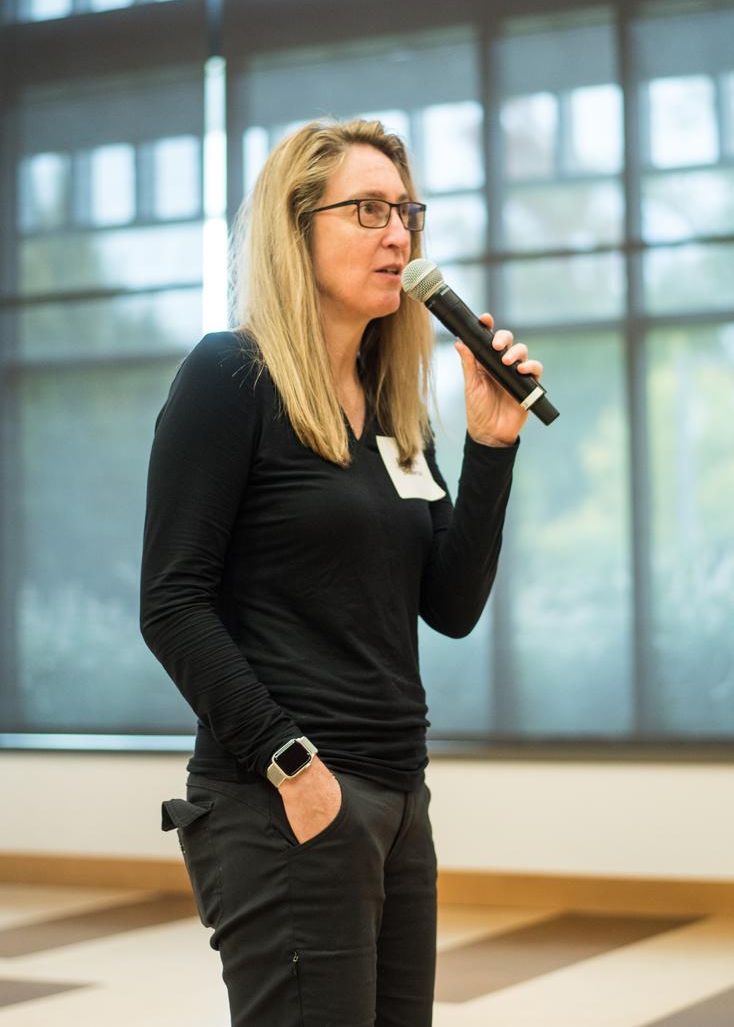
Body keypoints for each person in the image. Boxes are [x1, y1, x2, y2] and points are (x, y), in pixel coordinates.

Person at [139, 118, 542, 1027]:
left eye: (408, 213)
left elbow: (451, 607)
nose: (399, 235)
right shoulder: (228, 378)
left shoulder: (396, 411)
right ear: (296, 228)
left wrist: (490, 448)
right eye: (368, 210)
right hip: (286, 798)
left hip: (399, 797)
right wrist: (293, 765)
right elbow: (171, 602)